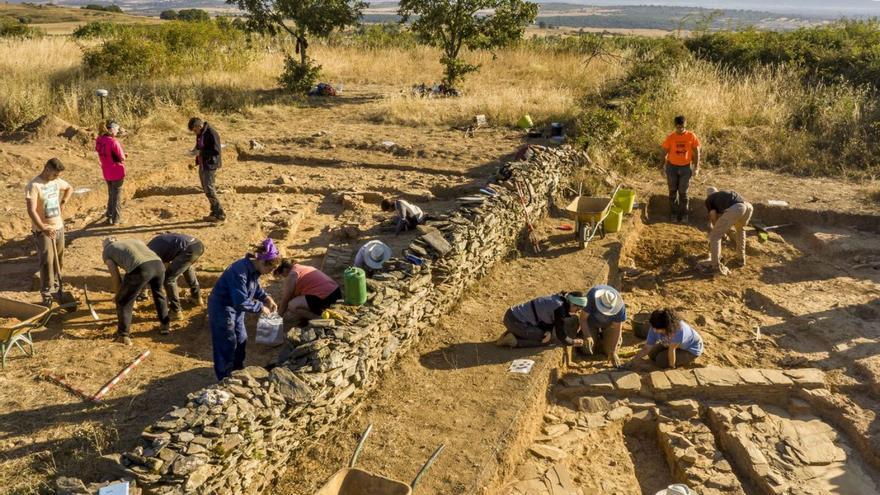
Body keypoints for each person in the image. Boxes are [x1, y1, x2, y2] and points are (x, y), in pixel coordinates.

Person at [208, 239, 280, 380]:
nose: (269, 273)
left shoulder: (253, 270)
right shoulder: (239, 272)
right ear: (262, 262)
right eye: (270, 269)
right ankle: (224, 378)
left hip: (236, 310)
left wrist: (266, 298)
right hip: (222, 308)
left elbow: (254, 288)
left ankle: (237, 371)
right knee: (227, 342)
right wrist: (260, 307)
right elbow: (240, 301)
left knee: (241, 339)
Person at [103, 237, 170, 345]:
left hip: (140, 268)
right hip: (158, 265)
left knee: (123, 301)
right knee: (158, 293)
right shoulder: (134, 241)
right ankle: (165, 325)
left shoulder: (107, 251)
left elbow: (115, 275)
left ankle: (123, 335)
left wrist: (118, 294)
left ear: (105, 246)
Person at [25, 158, 73, 307]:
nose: (57, 177)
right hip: (43, 231)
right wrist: (43, 228)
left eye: (58, 175)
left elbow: (69, 188)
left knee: (59, 259)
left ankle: (58, 290)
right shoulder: (34, 185)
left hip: (58, 227)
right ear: (46, 169)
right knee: (47, 262)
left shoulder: (56, 181)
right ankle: (46, 293)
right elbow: (31, 210)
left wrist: (63, 202)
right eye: (55, 174)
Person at [147, 233, 205, 320]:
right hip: (197, 244)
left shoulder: (150, 253)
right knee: (186, 267)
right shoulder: (154, 246)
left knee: (169, 279)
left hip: (188, 249)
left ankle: (176, 311)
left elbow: (161, 269)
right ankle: (196, 297)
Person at [496, 292, 587, 348]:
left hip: (512, 315)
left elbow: (547, 317)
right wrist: (573, 342)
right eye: (577, 310)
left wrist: (548, 330)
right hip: (515, 321)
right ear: (573, 304)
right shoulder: (560, 309)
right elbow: (561, 335)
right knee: (547, 340)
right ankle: (513, 340)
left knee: (547, 334)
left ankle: (516, 332)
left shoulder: (559, 299)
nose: (576, 312)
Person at [626, 308, 703, 369]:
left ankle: (687, 358)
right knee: (652, 354)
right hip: (673, 344)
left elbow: (671, 350)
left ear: (667, 327)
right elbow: (647, 347)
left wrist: (671, 367)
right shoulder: (655, 326)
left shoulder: (679, 331)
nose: (655, 330)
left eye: (658, 329)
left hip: (690, 349)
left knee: (661, 361)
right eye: (654, 327)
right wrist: (633, 360)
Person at [275, 259, 342, 325]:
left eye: (283, 276)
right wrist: (280, 304)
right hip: (336, 293)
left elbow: (286, 298)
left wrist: (278, 316)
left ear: (285, 270)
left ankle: (318, 318)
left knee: (292, 305)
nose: (284, 278)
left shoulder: (292, 274)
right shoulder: (302, 268)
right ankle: (311, 317)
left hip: (326, 298)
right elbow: (293, 295)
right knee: (295, 303)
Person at [704, 186, 754, 275]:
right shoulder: (724, 195)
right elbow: (727, 218)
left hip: (736, 208)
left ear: (708, 195)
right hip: (748, 207)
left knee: (715, 236)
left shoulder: (709, 200)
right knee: (740, 231)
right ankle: (740, 259)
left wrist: (717, 231)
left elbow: (713, 216)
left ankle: (715, 266)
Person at [661, 116, 701, 223]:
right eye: (678, 127)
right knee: (672, 191)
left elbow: (697, 152)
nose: (680, 129)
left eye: (682, 127)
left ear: (685, 125)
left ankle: (684, 214)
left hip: (686, 168)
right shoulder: (671, 137)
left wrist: (696, 167)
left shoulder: (691, 136)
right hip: (672, 167)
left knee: (683, 192)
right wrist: (662, 167)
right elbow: (664, 151)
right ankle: (673, 214)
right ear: (675, 126)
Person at [188, 117, 225, 222]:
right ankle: (214, 212)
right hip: (203, 164)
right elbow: (199, 145)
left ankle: (220, 214)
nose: (195, 133)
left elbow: (216, 151)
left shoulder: (211, 133)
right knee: (206, 189)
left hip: (210, 165)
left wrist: (201, 153)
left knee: (209, 189)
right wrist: (194, 151)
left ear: (199, 126)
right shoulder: (201, 133)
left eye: (195, 130)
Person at [580, 284, 626, 367]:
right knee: (586, 350)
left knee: (609, 352)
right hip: (592, 323)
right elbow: (583, 318)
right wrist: (587, 335)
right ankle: (596, 338)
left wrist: (613, 351)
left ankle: (604, 339)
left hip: (609, 325)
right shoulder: (592, 296)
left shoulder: (620, 307)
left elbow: (617, 328)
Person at [95, 120, 126, 225]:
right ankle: (116, 219)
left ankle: (109, 215)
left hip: (106, 171)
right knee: (116, 195)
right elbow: (121, 158)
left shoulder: (99, 139)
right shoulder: (113, 142)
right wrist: (124, 156)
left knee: (111, 194)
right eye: (117, 129)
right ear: (112, 129)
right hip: (117, 171)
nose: (117, 131)